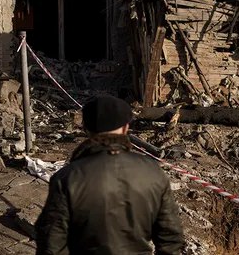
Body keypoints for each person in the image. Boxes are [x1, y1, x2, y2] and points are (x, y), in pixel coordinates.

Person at [35, 95, 184, 255]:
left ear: (86, 130)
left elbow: (51, 242)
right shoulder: (153, 172)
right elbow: (171, 237)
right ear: (125, 128)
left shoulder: (67, 178)